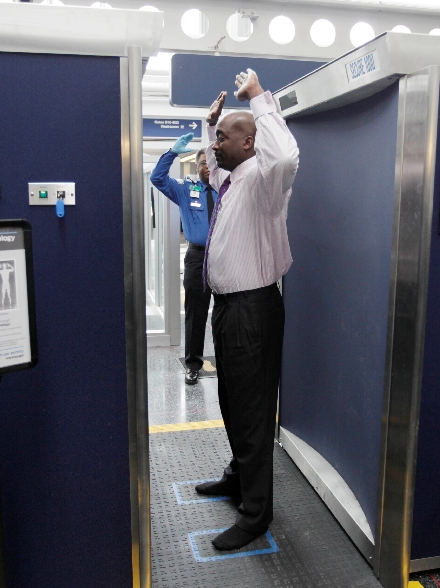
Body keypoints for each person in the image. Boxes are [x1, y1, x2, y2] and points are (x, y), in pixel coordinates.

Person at [193, 69, 299, 551]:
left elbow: (286, 155)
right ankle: (238, 478)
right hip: (228, 309)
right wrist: (207, 123)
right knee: (233, 404)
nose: (215, 144)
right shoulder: (235, 180)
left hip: (253, 311)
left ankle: (256, 514)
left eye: (222, 137)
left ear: (251, 142)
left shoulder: (264, 180)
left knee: (253, 412)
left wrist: (258, 97)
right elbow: (213, 171)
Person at [150, 133, 218, 385]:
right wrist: (172, 152)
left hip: (225, 257)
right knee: (196, 313)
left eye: (211, 163)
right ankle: (193, 364)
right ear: (197, 165)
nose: (207, 167)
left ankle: (228, 360)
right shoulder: (185, 189)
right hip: (197, 258)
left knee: (227, 312)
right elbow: (157, 178)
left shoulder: (228, 189)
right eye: (202, 163)